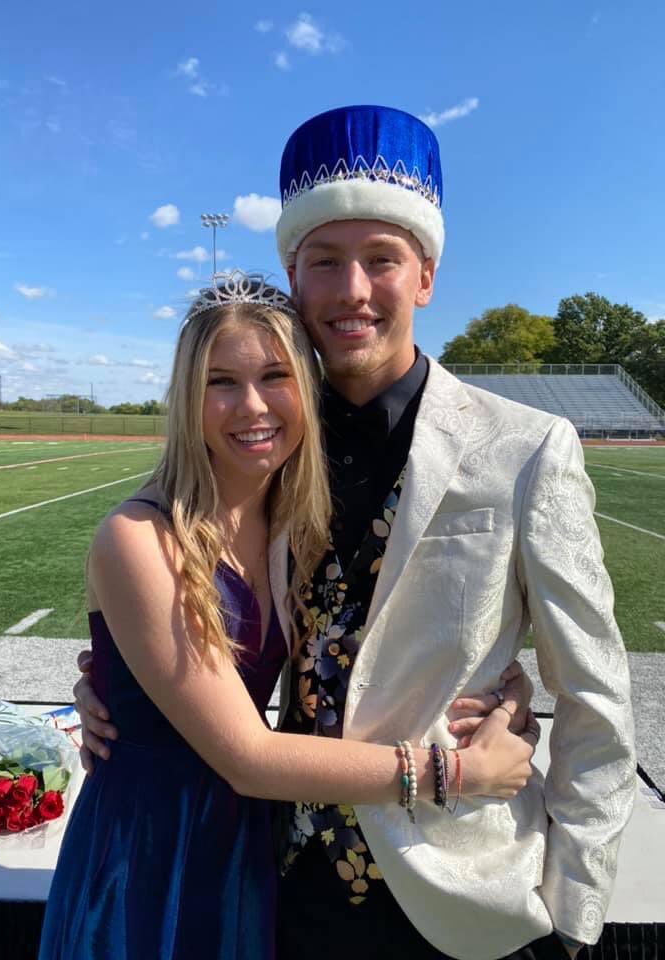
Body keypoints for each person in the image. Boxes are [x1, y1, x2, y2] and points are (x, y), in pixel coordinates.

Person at [75, 106, 637, 960]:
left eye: (381, 258)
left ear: (426, 276)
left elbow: (597, 695)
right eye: (324, 262)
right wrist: (115, 682)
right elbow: (192, 611)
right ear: (294, 280)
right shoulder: (267, 455)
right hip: (281, 890)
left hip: (462, 898)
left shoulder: (525, 450)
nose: (351, 291)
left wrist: (574, 917)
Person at [42, 271, 538, 960]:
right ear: (187, 397)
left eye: (276, 375)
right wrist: (459, 774)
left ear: (307, 389)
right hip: (151, 845)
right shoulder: (138, 537)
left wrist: (509, 690)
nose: (252, 407)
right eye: (220, 382)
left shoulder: (289, 521)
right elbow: (248, 756)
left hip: (251, 841)